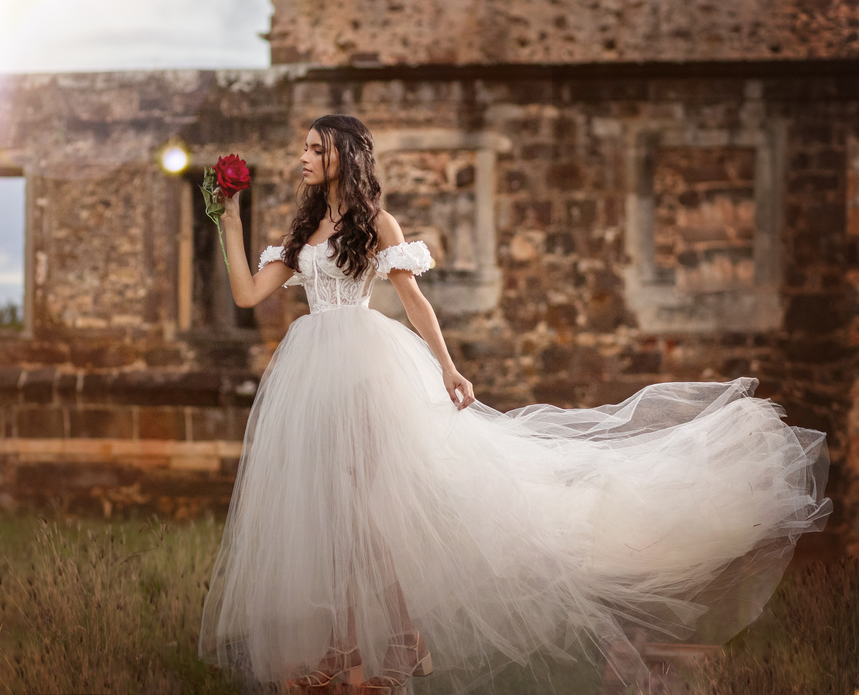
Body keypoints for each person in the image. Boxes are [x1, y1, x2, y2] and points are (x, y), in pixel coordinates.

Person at [197, 114, 831, 694]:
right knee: (343, 514)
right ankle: (372, 643)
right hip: (314, 373)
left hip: (364, 371)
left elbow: (416, 303)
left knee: (358, 515)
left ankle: (371, 643)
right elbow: (249, 294)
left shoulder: (376, 224)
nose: (304, 157)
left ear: (344, 157)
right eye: (304, 148)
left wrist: (450, 370)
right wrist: (228, 216)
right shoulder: (302, 228)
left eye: (316, 149)